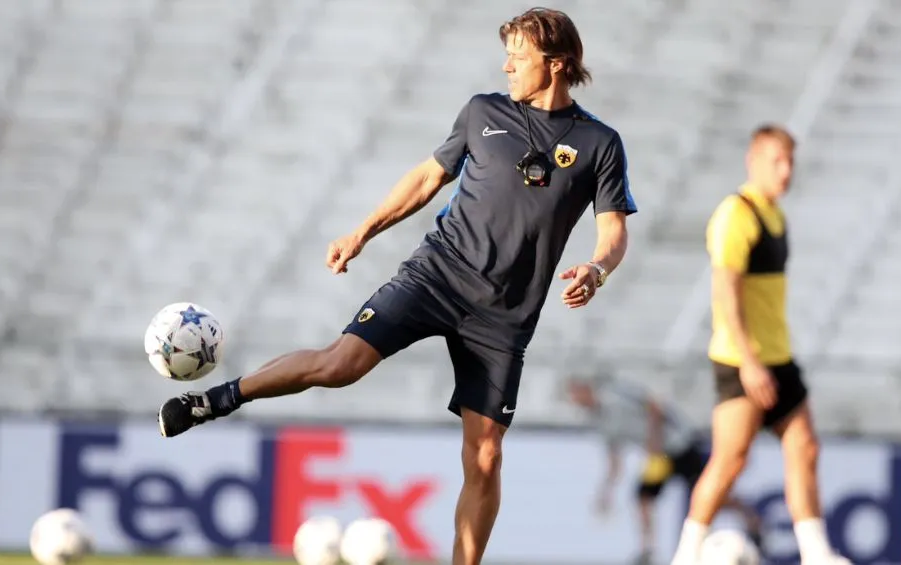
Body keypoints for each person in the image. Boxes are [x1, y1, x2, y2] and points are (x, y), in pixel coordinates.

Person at [157, 8, 637, 565]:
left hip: (503, 316)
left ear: (556, 65)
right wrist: (362, 231)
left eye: (519, 56)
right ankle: (216, 399)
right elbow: (427, 178)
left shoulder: (599, 143)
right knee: (339, 367)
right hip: (437, 274)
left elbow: (614, 232)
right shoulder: (483, 113)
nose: (506, 65)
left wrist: (596, 270)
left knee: (485, 458)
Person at [669, 125, 849, 565]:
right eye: (777, 161)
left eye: (790, 162)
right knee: (730, 459)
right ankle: (687, 554)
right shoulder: (737, 214)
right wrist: (749, 362)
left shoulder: (775, 215)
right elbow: (726, 291)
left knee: (804, 445)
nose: (785, 172)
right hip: (741, 359)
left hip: (778, 356)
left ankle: (815, 553)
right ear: (753, 161)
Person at [567, 375, 762, 565]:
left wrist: (655, 439)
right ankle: (647, 552)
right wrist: (607, 491)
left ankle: (753, 521)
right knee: (643, 497)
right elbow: (614, 458)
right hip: (659, 458)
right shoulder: (599, 422)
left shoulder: (615, 394)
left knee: (712, 495)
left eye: (577, 394)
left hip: (679, 445)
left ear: (586, 389)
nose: (577, 401)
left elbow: (654, 405)